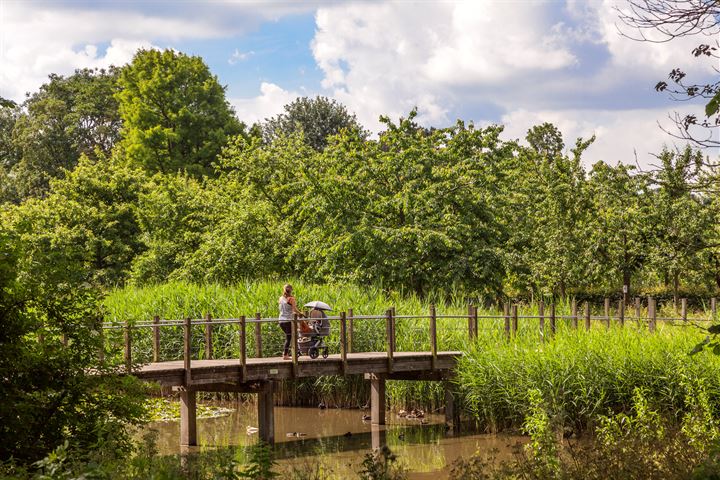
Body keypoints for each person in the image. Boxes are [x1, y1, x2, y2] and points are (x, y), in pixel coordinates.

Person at [278, 284, 303, 360]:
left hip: (281, 320)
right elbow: (294, 310)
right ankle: (286, 355)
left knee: (288, 337)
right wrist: (301, 314)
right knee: (289, 337)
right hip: (288, 320)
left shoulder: (281, 298)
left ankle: (290, 353)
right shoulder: (291, 299)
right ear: (291, 290)